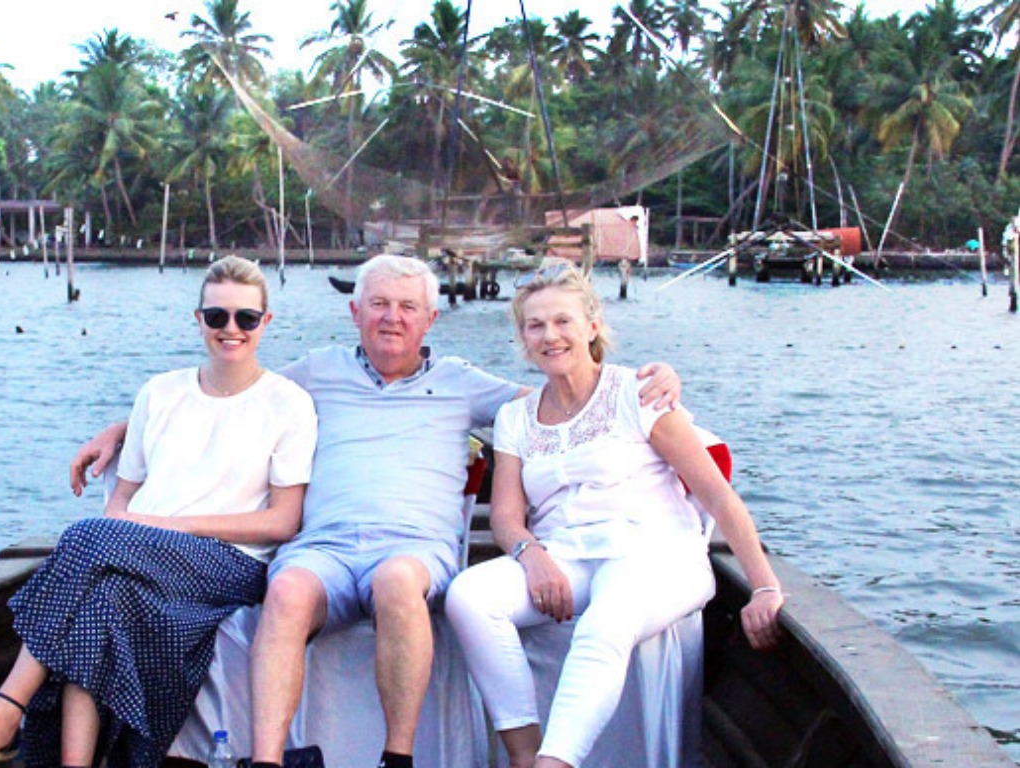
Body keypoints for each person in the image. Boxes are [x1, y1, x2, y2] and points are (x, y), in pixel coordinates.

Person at [70, 255, 682, 768]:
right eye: (380, 304)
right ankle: (266, 760)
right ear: (354, 312)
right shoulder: (316, 372)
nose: (393, 318)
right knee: (285, 588)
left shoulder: (463, 382)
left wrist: (649, 383)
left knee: (396, 580)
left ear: (430, 318)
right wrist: (125, 429)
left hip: (415, 550)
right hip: (325, 546)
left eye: (408, 307)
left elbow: (568, 394)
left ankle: (397, 758)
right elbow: (231, 397)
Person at [0, 256, 318, 768]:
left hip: (230, 560)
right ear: (198, 319)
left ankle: (6, 709)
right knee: (104, 598)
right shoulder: (160, 392)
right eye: (216, 317)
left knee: (89, 537)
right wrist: (131, 534)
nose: (230, 329)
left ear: (266, 323)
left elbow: (283, 522)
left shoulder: (288, 403)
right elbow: (121, 501)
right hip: (139, 551)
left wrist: (163, 527)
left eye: (245, 318)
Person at [444, 266, 783, 768]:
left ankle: (554, 764)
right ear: (522, 338)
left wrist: (765, 587)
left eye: (563, 321)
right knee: (469, 598)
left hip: (656, 552)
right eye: (535, 326)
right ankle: (524, 753)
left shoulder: (639, 395)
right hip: (568, 555)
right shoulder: (516, 417)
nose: (550, 335)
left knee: (607, 621)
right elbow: (508, 517)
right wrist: (531, 556)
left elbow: (718, 495)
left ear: (592, 325)